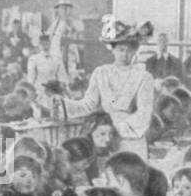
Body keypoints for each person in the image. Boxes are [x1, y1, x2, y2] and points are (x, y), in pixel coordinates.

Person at [53, 21, 156, 158]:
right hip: (104, 138)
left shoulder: (144, 77)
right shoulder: (101, 73)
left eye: (129, 50)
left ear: (134, 51)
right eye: (120, 50)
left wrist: (116, 129)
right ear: (112, 49)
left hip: (131, 138)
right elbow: (89, 104)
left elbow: (144, 112)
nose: (124, 54)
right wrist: (65, 105)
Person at [26, 29, 71, 94]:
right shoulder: (33, 59)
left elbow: (62, 77)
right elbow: (31, 78)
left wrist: (65, 89)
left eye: (47, 43)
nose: (45, 45)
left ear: (50, 43)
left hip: (53, 90)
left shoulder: (57, 59)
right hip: (39, 91)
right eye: (42, 43)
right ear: (39, 44)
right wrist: (30, 92)